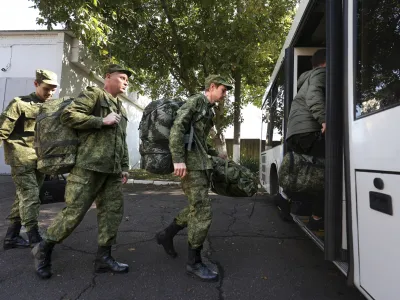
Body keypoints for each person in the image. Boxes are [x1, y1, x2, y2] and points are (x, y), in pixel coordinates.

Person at [32, 64, 131, 279]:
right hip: (88, 167)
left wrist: (124, 167)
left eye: (127, 79)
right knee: (74, 213)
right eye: (122, 78)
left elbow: (120, 140)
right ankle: (43, 248)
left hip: (111, 172)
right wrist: (100, 121)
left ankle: (104, 258)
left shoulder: (120, 107)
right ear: (108, 77)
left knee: (112, 214)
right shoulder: (94, 94)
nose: (126, 82)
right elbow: (68, 115)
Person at [156, 75, 233, 282]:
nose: (225, 94)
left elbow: (198, 141)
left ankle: (166, 235)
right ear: (212, 86)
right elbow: (177, 128)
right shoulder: (196, 101)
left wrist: (216, 154)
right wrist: (178, 159)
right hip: (190, 166)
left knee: (195, 207)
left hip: (200, 164)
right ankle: (194, 263)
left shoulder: (207, 109)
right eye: (224, 90)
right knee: (202, 211)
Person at [1, 70, 58, 250]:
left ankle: (11, 237)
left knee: (23, 198)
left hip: (41, 159)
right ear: (36, 84)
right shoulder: (19, 104)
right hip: (20, 157)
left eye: (53, 89)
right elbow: (2, 130)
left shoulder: (52, 106)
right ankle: (34, 238)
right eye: (46, 88)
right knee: (31, 195)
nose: (49, 92)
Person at [285, 48, 326, 231]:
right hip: (308, 131)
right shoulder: (322, 73)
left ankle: (285, 198)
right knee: (327, 173)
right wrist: (324, 120)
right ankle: (316, 218)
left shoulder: (305, 79)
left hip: (294, 133)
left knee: (308, 170)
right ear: (327, 61)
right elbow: (314, 96)